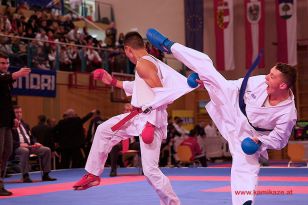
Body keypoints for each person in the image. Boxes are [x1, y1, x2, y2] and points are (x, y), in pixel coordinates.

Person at [146, 29, 297, 205]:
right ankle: (170, 46)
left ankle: (244, 202)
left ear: (283, 85)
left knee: (246, 164)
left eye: (272, 76)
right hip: (233, 105)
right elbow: (235, 86)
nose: (266, 78)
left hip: (251, 134)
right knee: (208, 69)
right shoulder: (261, 81)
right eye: (269, 73)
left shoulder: (288, 114)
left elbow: (280, 140)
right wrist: (211, 84)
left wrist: (260, 142)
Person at [73, 31, 194, 205]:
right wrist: (113, 82)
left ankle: (173, 203)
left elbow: (161, 95)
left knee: (150, 171)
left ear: (128, 49)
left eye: (126, 53)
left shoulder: (143, 65)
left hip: (150, 119)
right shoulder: (148, 62)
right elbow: (140, 86)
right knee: (104, 130)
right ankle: (93, 174)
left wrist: (151, 124)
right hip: (137, 116)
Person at [0, 52, 31, 196]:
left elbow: (8, 102)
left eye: (6, 63)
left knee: (6, 152)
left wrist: (13, 117)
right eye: (2, 63)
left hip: (5, 121)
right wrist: (17, 74)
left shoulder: (6, 80)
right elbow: (6, 78)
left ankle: (0, 183)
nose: (5, 66)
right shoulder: (5, 78)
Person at [12, 105, 57, 183]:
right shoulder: (9, 126)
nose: (19, 114)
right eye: (16, 112)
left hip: (29, 146)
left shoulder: (25, 125)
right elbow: (8, 141)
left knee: (46, 150)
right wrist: (19, 144)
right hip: (16, 148)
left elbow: (31, 137)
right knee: (24, 151)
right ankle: (25, 176)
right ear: (12, 114)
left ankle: (46, 175)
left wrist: (36, 142)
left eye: (20, 112)